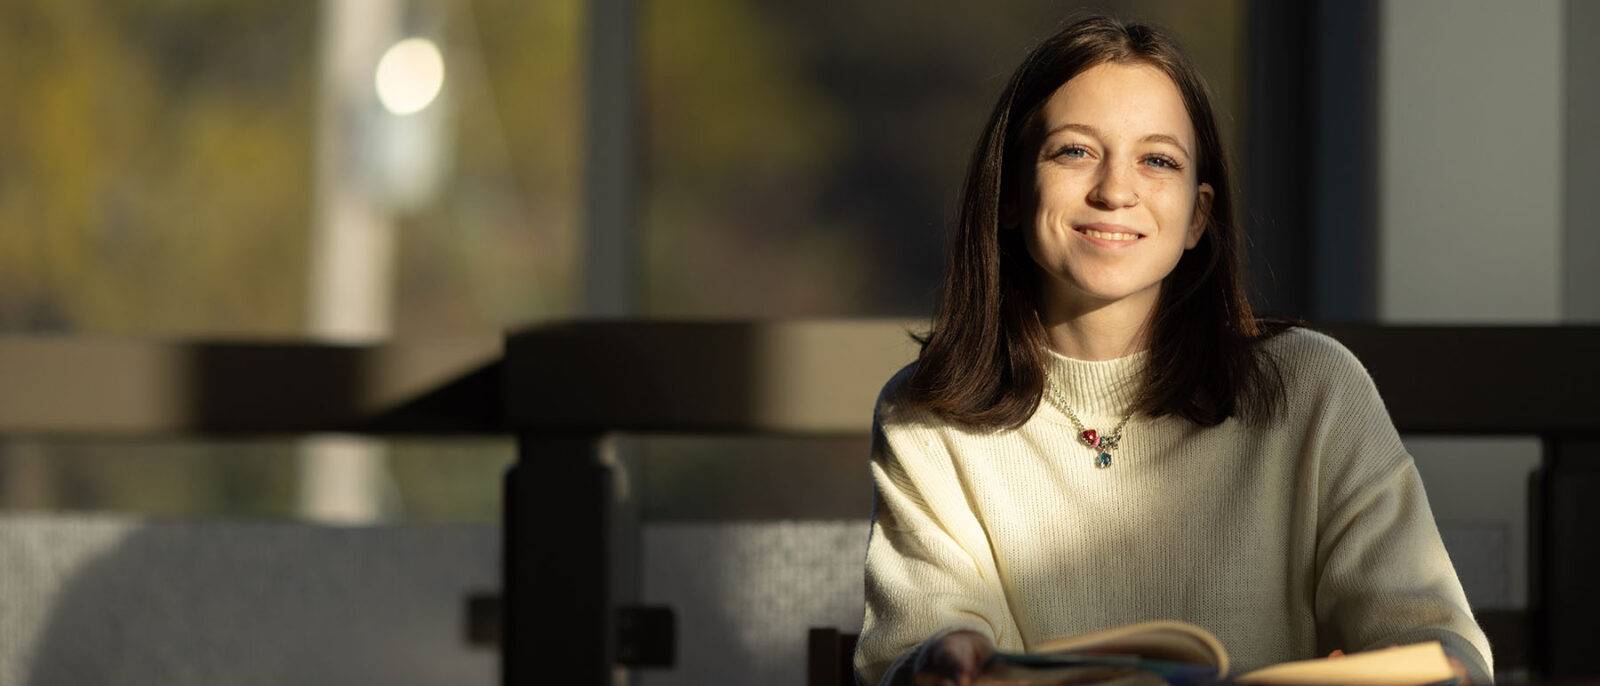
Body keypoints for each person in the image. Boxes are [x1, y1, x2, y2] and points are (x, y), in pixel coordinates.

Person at [853, 14, 1492, 686]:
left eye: (1158, 161)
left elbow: (1439, 645)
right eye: (1074, 151)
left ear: (1197, 216)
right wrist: (936, 660)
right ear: (1011, 191)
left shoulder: (1315, 387)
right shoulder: (926, 419)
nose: (1115, 191)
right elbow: (918, 645)